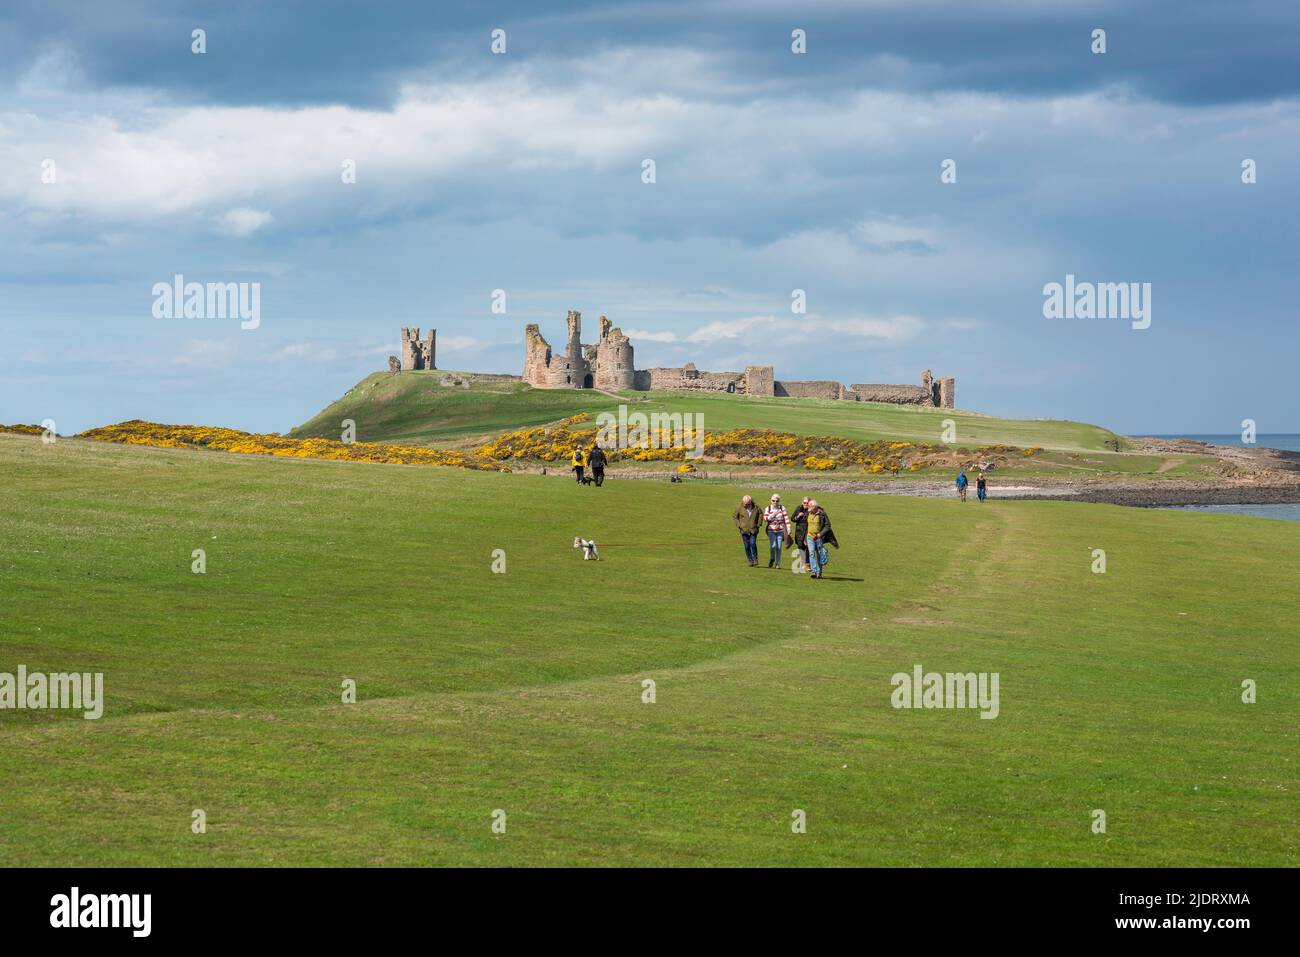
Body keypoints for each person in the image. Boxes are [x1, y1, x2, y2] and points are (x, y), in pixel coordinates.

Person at [805, 499, 839, 579]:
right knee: (811, 553)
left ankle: (819, 573)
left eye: (810, 507)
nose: (809, 509)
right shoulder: (808, 513)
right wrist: (804, 537)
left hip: (818, 538)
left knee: (819, 555)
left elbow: (828, 526)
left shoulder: (822, 514)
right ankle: (813, 571)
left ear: (815, 507)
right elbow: (806, 526)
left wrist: (820, 534)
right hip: (809, 537)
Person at [732, 494, 762, 567]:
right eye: (744, 503)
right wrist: (739, 525)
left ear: (750, 502)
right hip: (744, 531)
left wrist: (758, 524)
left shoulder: (756, 507)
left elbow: (761, 514)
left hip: (753, 530)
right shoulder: (739, 508)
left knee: (752, 543)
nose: (745, 505)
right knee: (747, 546)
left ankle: (755, 559)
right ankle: (750, 560)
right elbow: (735, 517)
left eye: (747, 503)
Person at [762, 493, 789, 569]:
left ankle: (777, 564)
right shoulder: (768, 508)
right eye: (773, 501)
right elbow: (765, 519)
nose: (775, 502)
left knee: (779, 547)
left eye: (777, 501)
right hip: (771, 530)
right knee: (773, 546)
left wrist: (788, 529)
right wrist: (773, 514)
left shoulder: (782, 508)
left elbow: (786, 518)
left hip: (780, 530)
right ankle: (772, 558)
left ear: (779, 501)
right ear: (771, 501)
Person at [790, 497, 811, 572]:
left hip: (808, 531)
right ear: (802, 503)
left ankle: (807, 564)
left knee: (808, 547)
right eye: (804, 503)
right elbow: (792, 519)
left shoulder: (812, 510)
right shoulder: (799, 508)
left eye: (807, 503)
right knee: (801, 548)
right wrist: (798, 516)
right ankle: (803, 564)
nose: (805, 504)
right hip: (799, 532)